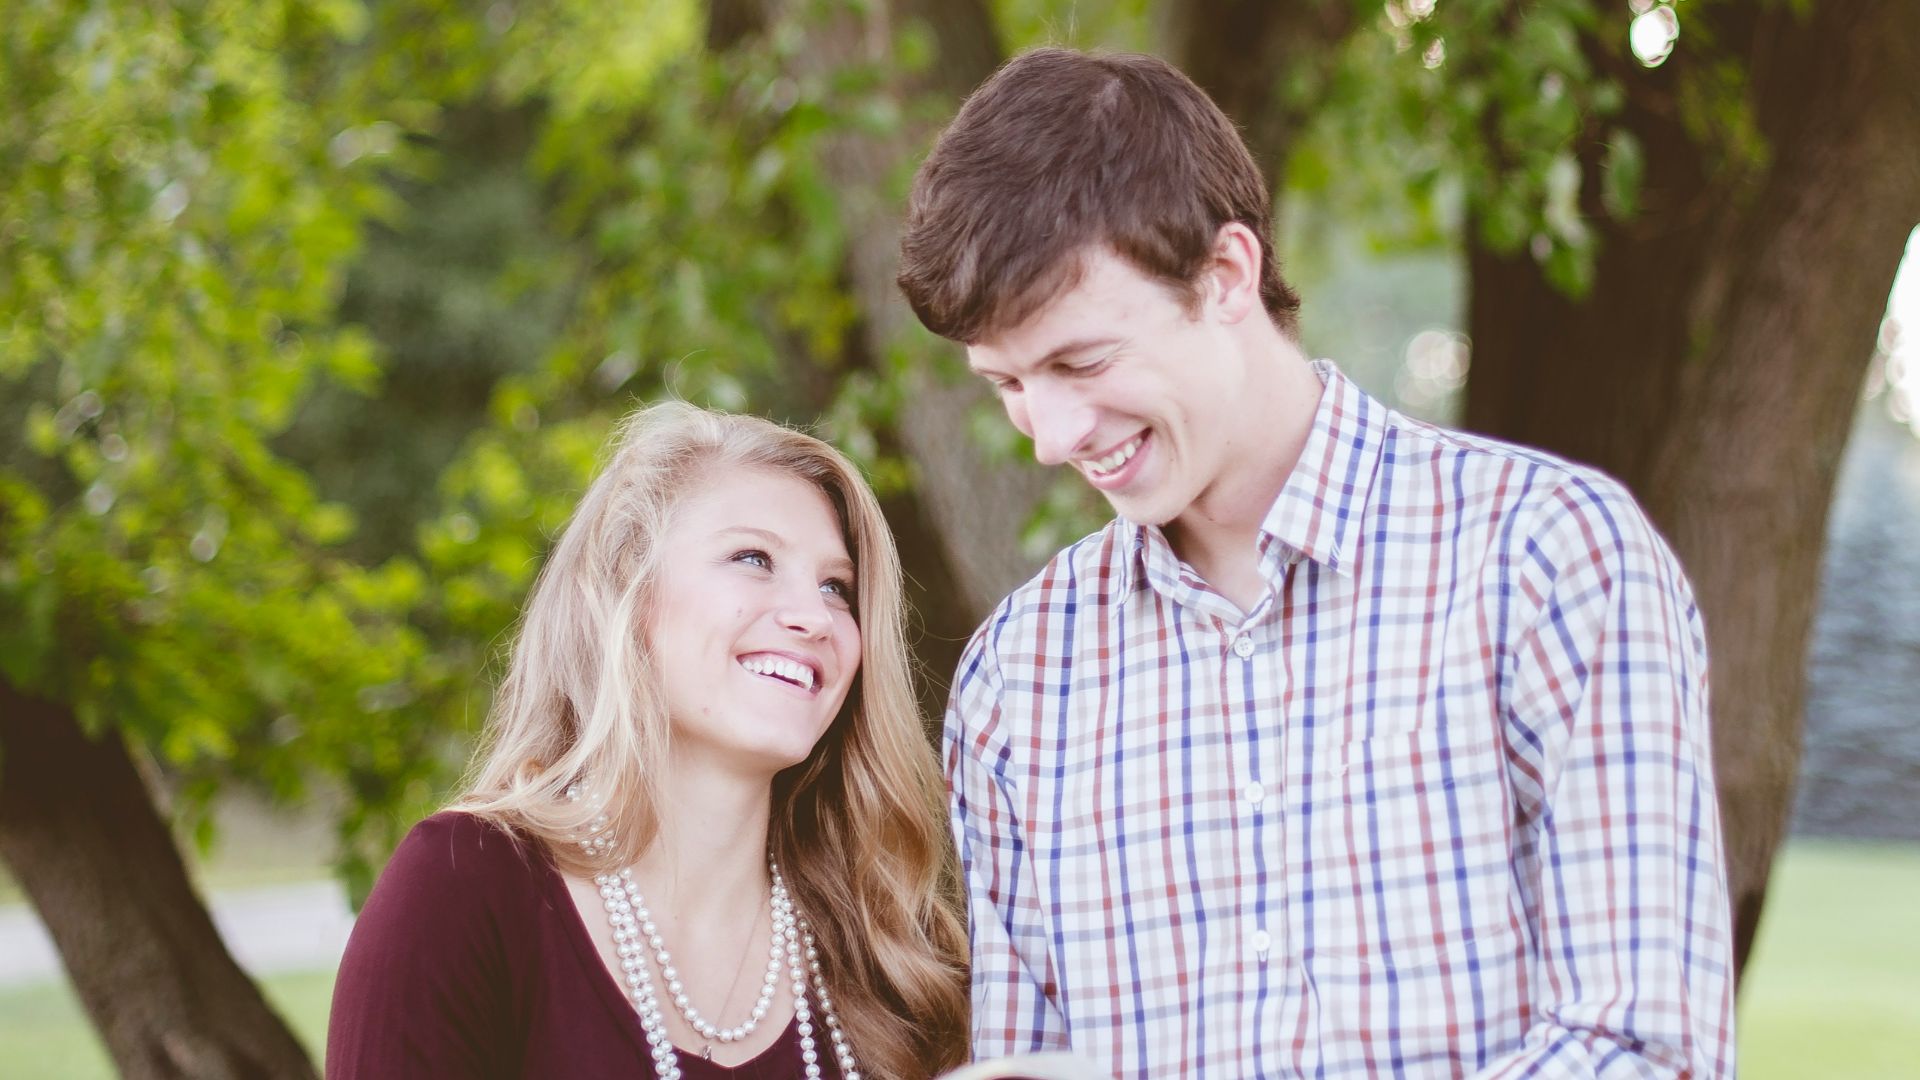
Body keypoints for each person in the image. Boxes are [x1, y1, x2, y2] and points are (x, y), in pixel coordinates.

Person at [899, 47, 1735, 1077]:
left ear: (1226, 275)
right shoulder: (1018, 679)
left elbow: (1645, 1048)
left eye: (1083, 361)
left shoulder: (1548, 559)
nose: (1052, 435)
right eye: (1009, 384)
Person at [327, 402, 970, 1079]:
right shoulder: (463, 885)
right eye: (753, 558)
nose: (814, 617)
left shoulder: (892, 952)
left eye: (837, 588)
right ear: (626, 594)